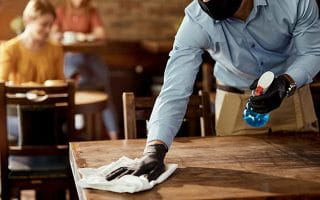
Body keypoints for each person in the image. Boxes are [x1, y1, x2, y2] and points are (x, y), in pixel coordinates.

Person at [106, 0, 320, 182]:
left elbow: (313, 52)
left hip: (292, 95)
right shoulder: (197, 20)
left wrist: (287, 81)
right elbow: (174, 90)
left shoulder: (294, 2)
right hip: (235, 103)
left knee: (307, 179)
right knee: (240, 181)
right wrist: (155, 148)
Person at [51, 0, 119, 139]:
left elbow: (101, 33)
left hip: (91, 58)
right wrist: (59, 35)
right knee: (70, 92)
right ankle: (73, 135)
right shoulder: (61, 11)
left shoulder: (91, 11)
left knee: (106, 93)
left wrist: (85, 37)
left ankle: (116, 138)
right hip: (71, 58)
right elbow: (52, 34)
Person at [0, 0, 65, 141]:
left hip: (49, 112)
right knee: (34, 126)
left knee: (48, 125)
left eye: (50, 24)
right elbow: (2, 85)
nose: (48, 29)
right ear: (28, 20)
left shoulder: (56, 49)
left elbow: (61, 81)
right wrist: (36, 89)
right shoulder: (9, 49)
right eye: (43, 24)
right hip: (17, 113)